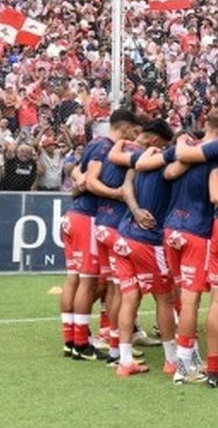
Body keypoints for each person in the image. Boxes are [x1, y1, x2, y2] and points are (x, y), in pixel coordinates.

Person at [134, 109, 218, 384]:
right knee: (190, 301)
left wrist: (182, 151)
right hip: (196, 231)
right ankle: (184, 364)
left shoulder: (186, 148)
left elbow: (165, 171)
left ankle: (186, 357)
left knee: (180, 298)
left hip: (171, 229)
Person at [60, 109, 140, 361]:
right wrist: (118, 194)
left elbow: (77, 172)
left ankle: (72, 339)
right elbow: (91, 181)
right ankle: (81, 342)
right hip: (87, 217)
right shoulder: (105, 147)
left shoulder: (96, 144)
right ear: (125, 127)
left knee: (76, 280)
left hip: (75, 216)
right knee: (89, 282)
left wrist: (78, 178)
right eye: (135, 131)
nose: (135, 136)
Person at [112, 119, 176, 377]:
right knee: (164, 298)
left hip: (124, 235)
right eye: (163, 143)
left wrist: (135, 210)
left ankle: (125, 361)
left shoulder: (136, 160)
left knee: (130, 298)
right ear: (154, 141)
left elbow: (127, 185)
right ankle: (172, 359)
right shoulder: (161, 161)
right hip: (147, 240)